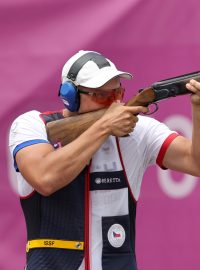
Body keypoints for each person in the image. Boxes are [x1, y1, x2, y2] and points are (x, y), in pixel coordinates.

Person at [9, 50, 200, 270]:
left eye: (118, 92)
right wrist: (104, 126)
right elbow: (45, 178)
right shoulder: (32, 125)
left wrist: (198, 109)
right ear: (70, 96)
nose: (115, 102)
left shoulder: (139, 130)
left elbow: (195, 163)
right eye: (103, 95)